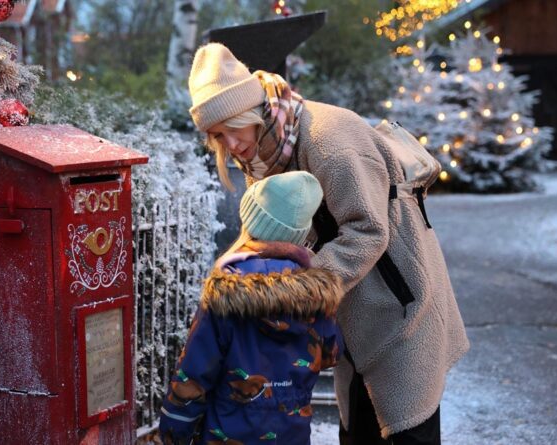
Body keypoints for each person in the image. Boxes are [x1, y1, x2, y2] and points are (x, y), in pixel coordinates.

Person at [186, 43, 470, 444]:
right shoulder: (264, 152)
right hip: (351, 311)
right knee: (358, 433)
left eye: (232, 127)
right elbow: (273, 233)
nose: (229, 145)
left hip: (402, 306)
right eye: (217, 135)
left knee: (409, 431)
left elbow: (368, 230)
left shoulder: (328, 140)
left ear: (251, 111)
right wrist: (242, 275)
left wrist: (296, 286)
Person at [159, 171, 344, 445]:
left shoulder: (226, 294)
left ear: (251, 223)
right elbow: (331, 354)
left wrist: (173, 431)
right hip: (290, 435)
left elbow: (194, 373)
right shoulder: (316, 295)